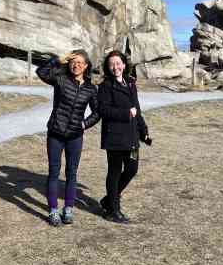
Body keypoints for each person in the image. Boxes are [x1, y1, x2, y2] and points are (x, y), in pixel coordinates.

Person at [36, 50, 99, 227]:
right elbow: (41, 72)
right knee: (54, 172)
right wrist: (58, 60)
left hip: (75, 136)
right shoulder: (61, 79)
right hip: (55, 133)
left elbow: (97, 112)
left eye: (80, 62)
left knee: (72, 173)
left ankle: (68, 208)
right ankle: (53, 210)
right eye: (73, 62)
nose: (76, 65)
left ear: (86, 66)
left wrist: (84, 124)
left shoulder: (90, 88)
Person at [97, 50, 152, 224]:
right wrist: (125, 113)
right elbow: (103, 110)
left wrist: (143, 130)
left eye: (118, 63)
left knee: (132, 169)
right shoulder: (105, 86)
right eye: (111, 64)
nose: (115, 67)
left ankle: (108, 199)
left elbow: (137, 109)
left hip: (132, 136)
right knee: (114, 172)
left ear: (124, 64)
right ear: (108, 67)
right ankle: (113, 210)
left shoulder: (130, 83)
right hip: (114, 137)